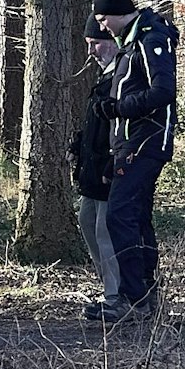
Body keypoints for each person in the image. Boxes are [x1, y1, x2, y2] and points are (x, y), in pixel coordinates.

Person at [93, 0, 179, 323]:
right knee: (137, 216)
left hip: (146, 142)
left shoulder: (150, 39)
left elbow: (163, 91)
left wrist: (120, 108)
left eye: (103, 19)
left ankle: (133, 297)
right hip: (129, 144)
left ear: (117, 14)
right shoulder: (129, 43)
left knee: (119, 214)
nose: (102, 27)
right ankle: (145, 295)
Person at [70, 17, 120, 320]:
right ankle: (110, 290)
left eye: (96, 44)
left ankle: (118, 296)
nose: (91, 52)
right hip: (93, 170)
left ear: (112, 41)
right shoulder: (105, 76)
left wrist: (115, 161)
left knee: (105, 230)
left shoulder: (123, 75)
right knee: (87, 221)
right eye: (89, 44)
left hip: (110, 169)